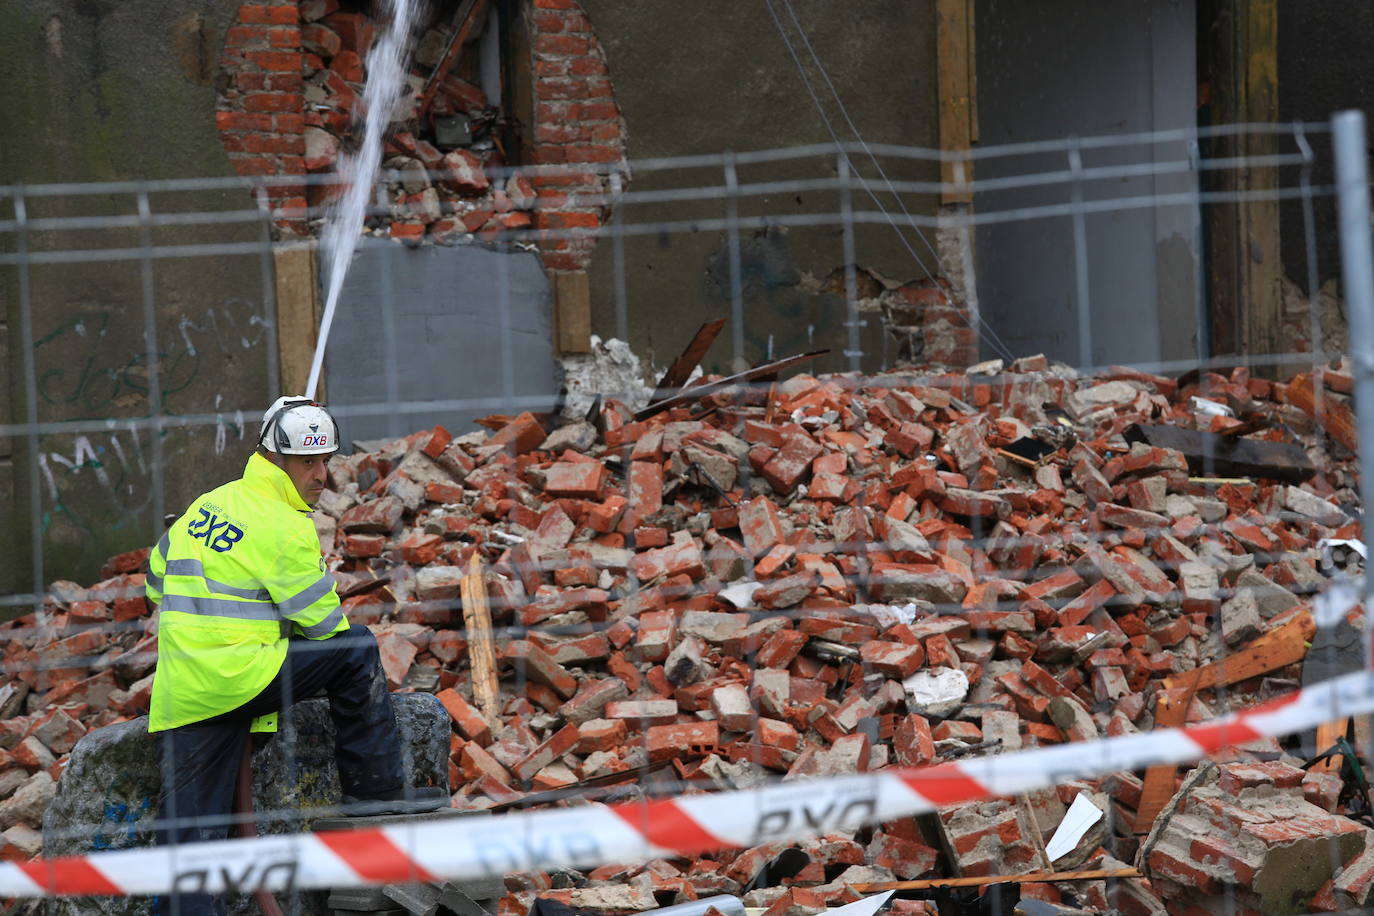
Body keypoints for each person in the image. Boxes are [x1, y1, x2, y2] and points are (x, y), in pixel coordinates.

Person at [145, 396, 445, 916]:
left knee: (184, 848)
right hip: (241, 678)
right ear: (276, 460)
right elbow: (325, 626)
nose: (322, 474)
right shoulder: (285, 526)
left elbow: (154, 583)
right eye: (310, 462)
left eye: (326, 459)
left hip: (185, 691)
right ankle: (378, 797)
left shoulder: (209, 504)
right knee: (355, 649)